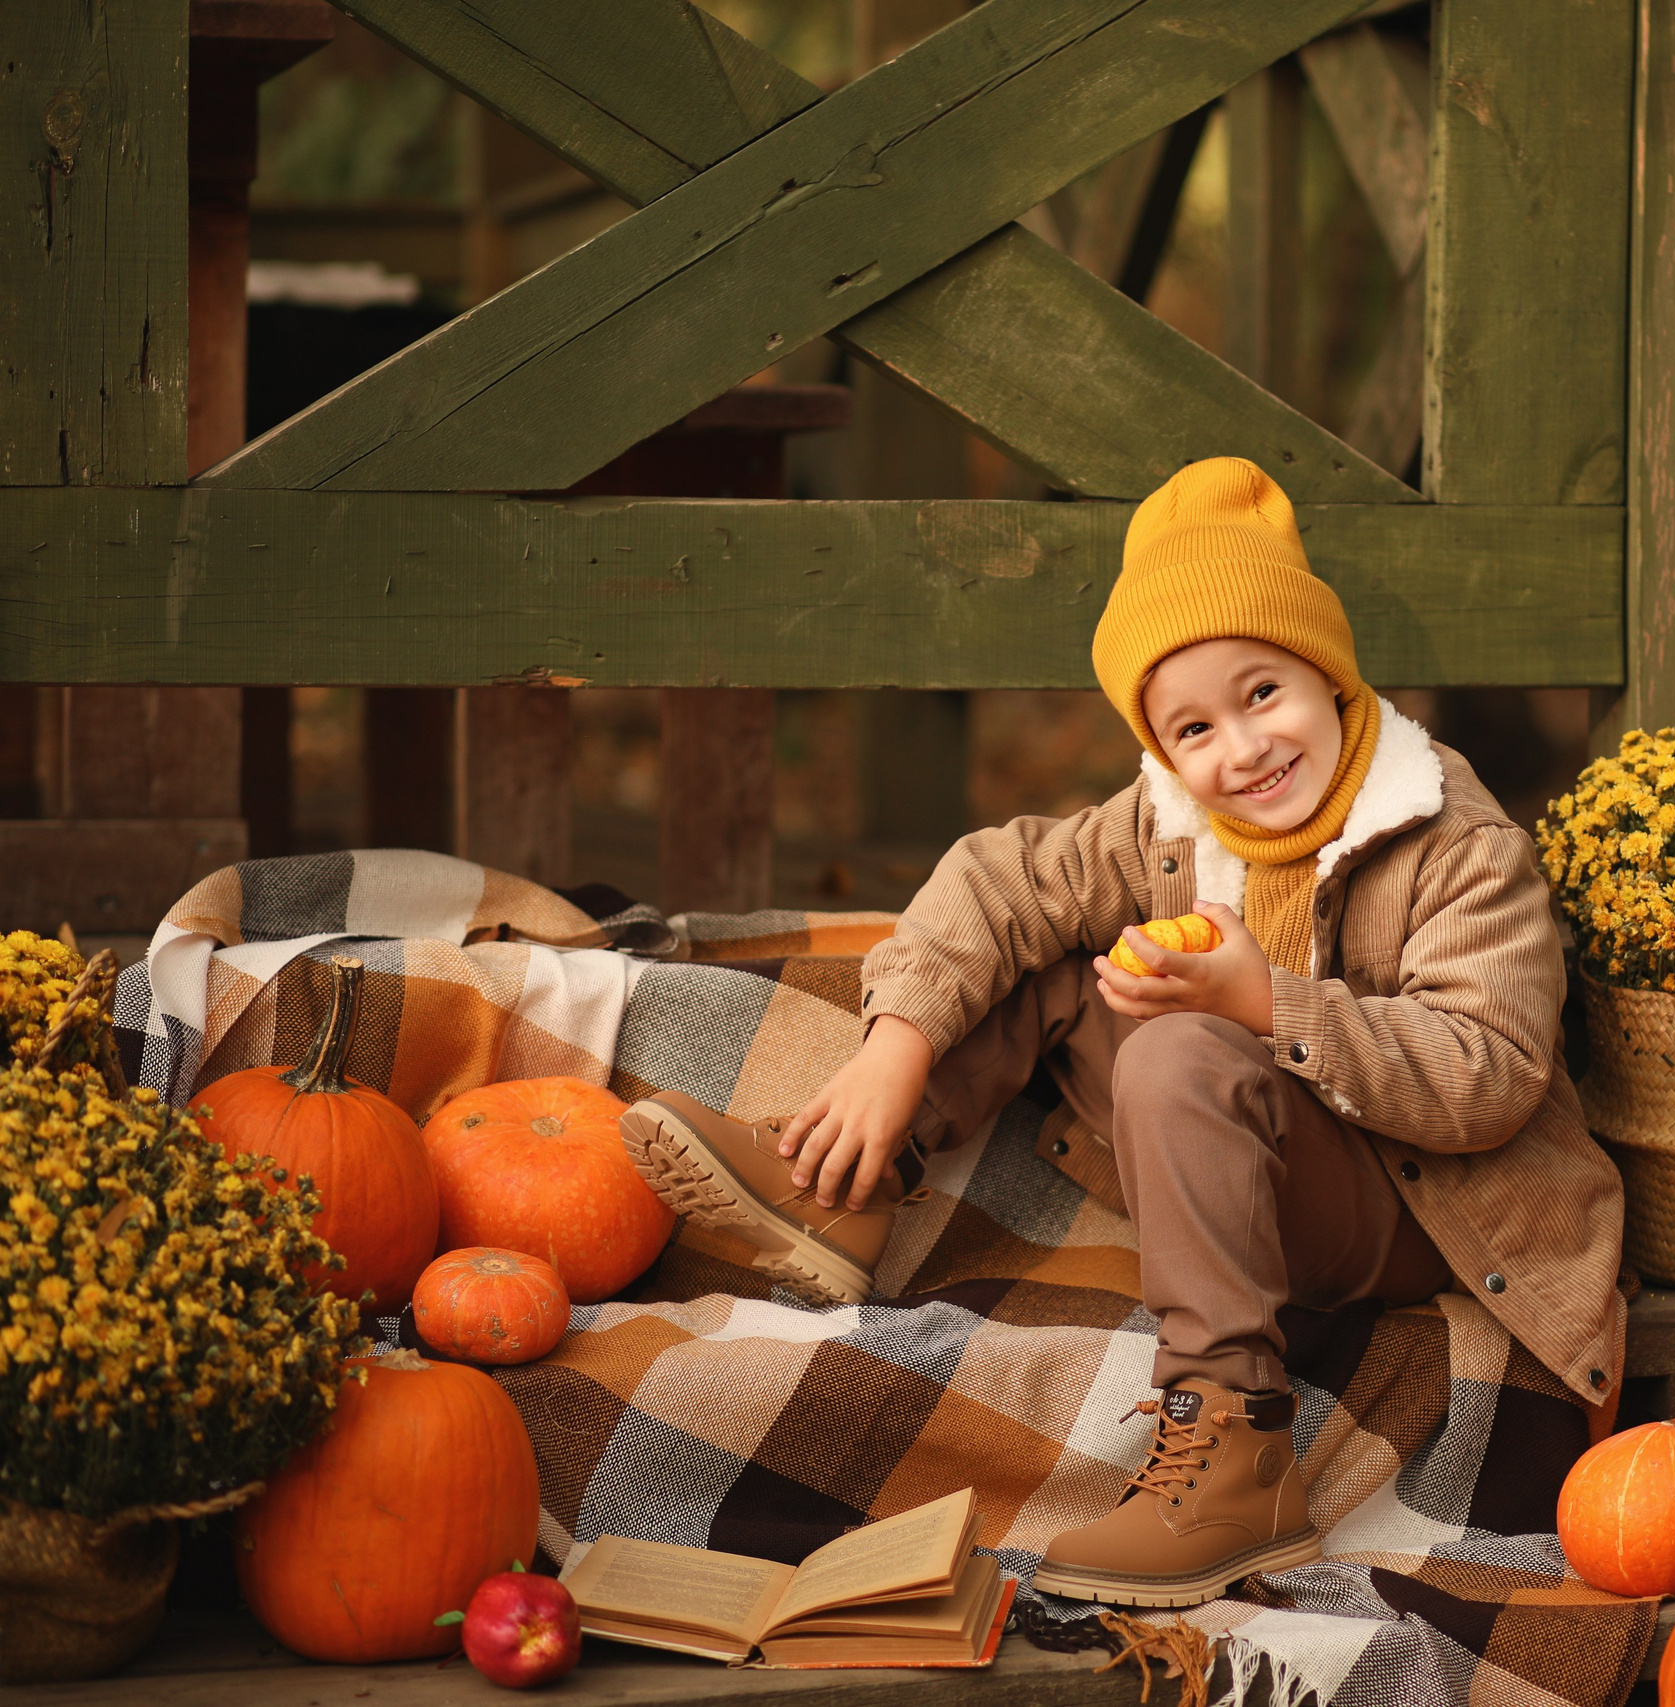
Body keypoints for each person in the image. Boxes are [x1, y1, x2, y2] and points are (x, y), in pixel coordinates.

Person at [620, 456, 1624, 1608]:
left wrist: (1264, 1003)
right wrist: (893, 1048)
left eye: (1263, 693)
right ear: (1161, 748)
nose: (1241, 749)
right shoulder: (1169, 824)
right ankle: (850, 1179)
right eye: (1193, 727)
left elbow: (1488, 1078)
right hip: (1249, 1151)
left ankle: (1234, 1457)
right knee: (1052, 947)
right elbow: (1002, 879)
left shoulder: (1454, 841)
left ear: (1330, 673)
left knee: (1180, 1041)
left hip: (1427, 1202)